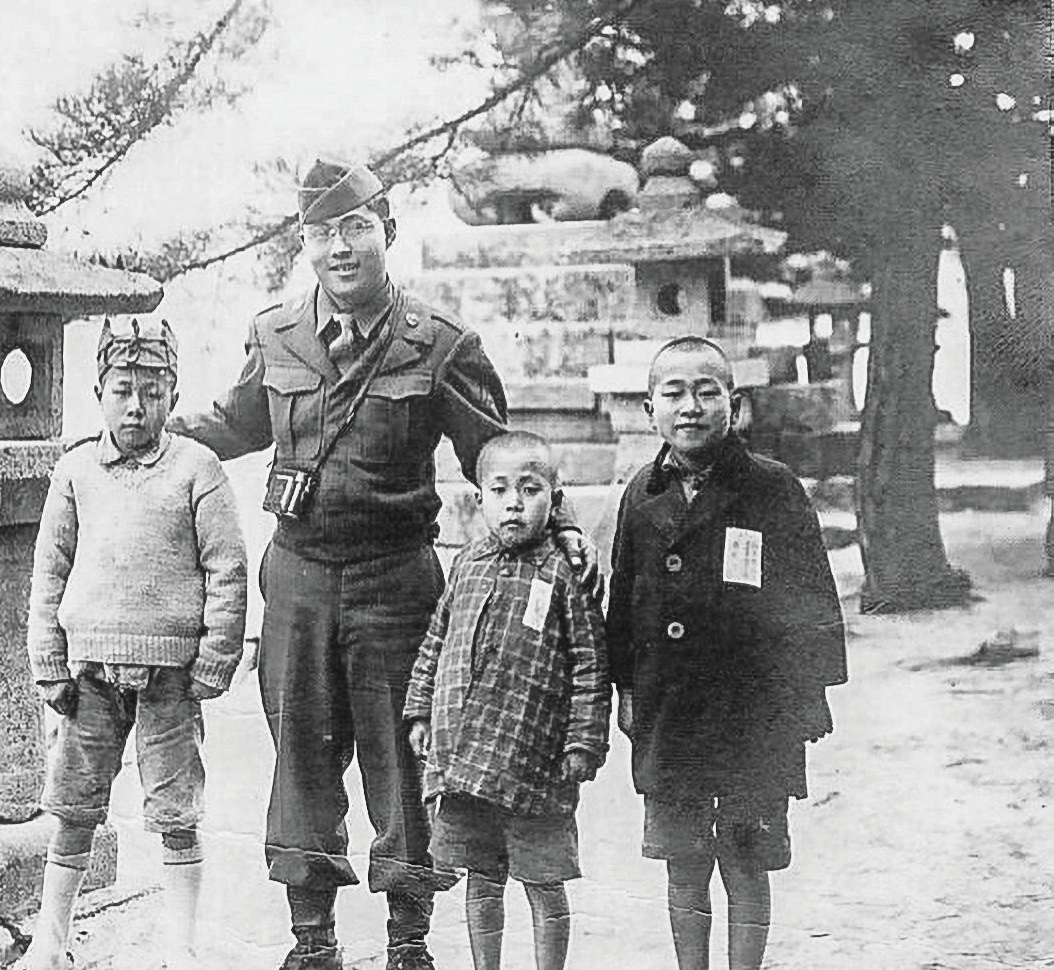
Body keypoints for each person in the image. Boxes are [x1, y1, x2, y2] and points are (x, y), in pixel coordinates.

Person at [169, 158, 592, 970]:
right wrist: (144, 435)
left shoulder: (439, 346)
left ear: (387, 233)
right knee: (299, 753)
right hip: (296, 578)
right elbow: (234, 422)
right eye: (323, 235)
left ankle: (408, 942)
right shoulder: (276, 334)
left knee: (404, 758)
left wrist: (563, 526)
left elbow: (500, 456)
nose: (340, 249)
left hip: (397, 584)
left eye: (355, 229)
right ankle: (313, 941)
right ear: (306, 246)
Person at [606, 336, 847, 970]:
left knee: (746, 857)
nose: (691, 407)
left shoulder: (772, 488)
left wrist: (809, 694)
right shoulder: (640, 494)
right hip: (672, 712)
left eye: (707, 391)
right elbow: (624, 600)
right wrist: (626, 688)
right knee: (684, 861)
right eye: (674, 393)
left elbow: (810, 592)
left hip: (754, 713)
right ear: (647, 408)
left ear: (734, 405)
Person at [22, 318, 248, 970]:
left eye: (152, 391)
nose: (135, 405)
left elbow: (227, 568)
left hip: (171, 678)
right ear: (98, 390)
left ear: (173, 396)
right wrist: (49, 658)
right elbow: (50, 568)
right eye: (122, 389)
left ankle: (180, 948)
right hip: (88, 674)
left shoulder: (196, 469)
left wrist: (215, 656)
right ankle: (50, 941)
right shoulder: (75, 472)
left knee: (176, 811)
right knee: (73, 807)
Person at [403, 432, 609, 970]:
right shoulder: (467, 563)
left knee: (544, 881)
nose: (514, 501)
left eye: (530, 488)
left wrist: (583, 741)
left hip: (535, 760)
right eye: (499, 490)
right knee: (481, 877)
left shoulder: (566, 573)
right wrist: (421, 709)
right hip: (466, 754)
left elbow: (590, 662)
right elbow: (435, 640)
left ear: (555, 498)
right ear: (478, 499)